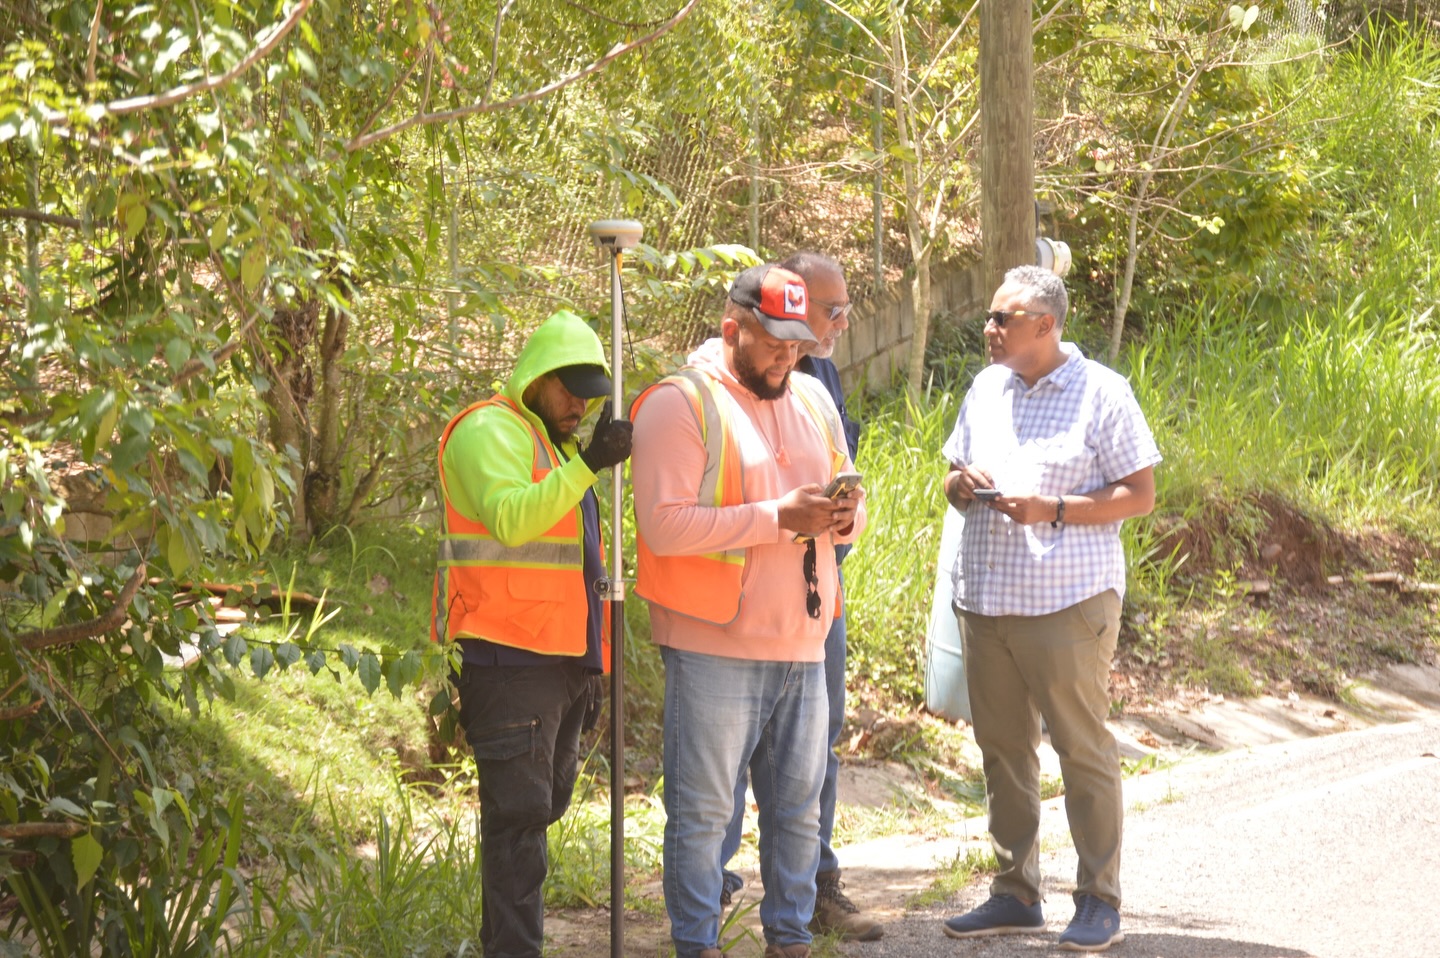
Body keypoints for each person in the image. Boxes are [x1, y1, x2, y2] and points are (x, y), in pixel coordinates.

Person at [630, 264, 867, 958]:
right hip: (713, 648)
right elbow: (664, 524)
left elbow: (848, 513)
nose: (787, 358)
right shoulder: (680, 402)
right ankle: (697, 946)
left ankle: (789, 940)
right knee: (703, 815)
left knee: (799, 812)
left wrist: (846, 516)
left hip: (804, 641)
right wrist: (777, 517)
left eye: (797, 345)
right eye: (772, 344)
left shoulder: (814, 400)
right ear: (733, 328)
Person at [938, 266, 1160, 953]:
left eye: (1005, 319)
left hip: (1067, 600)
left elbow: (1140, 494)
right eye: (991, 316)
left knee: (1080, 748)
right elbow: (949, 480)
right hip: (987, 600)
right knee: (1003, 750)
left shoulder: (1102, 393)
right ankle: (1015, 891)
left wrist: (1054, 510)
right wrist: (960, 482)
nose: (991, 329)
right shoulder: (985, 388)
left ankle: (1099, 900)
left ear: (1046, 325)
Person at [431, 309, 633, 958]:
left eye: (586, 394)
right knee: (517, 831)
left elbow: (582, 563)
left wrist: (592, 663)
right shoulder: (489, 431)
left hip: (561, 662)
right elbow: (513, 519)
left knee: (535, 821)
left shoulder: (556, 445)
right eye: (567, 389)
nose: (578, 404)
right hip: (508, 660)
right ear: (534, 379)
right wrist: (589, 467)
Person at [715, 251, 881, 942]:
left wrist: (845, 512)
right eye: (828, 310)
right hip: (734, 605)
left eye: (843, 310)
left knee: (816, 753)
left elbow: (840, 468)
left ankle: (816, 889)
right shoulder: (715, 384)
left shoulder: (822, 376)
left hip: (818, 597)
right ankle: (712, 898)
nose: (838, 324)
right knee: (722, 764)